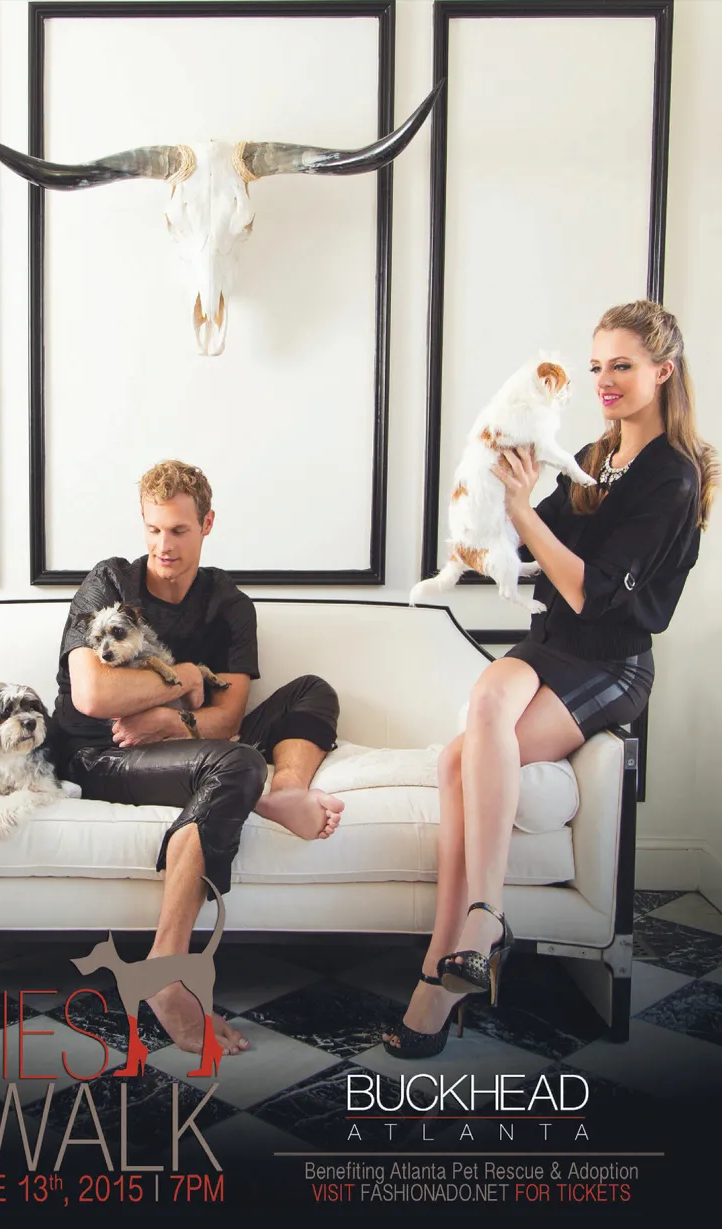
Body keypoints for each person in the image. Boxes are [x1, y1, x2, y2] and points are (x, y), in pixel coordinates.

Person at [383, 299, 717, 1057]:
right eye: (596, 366)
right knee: (475, 720)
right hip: (553, 642)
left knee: (458, 761)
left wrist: (521, 510)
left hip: (611, 660)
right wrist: (499, 496)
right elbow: (543, 546)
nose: (604, 380)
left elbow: (592, 592)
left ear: (664, 371)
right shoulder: (597, 455)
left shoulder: (673, 477)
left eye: (622, 365)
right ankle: (471, 934)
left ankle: (452, 957)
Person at [53, 460, 345, 1057]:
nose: (164, 545)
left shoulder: (230, 604)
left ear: (207, 524)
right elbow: (93, 695)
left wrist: (169, 721)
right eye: (153, 529)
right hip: (101, 754)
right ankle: (167, 966)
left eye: (179, 530)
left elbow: (229, 718)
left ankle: (286, 789)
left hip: (187, 744)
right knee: (237, 764)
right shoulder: (109, 583)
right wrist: (183, 678)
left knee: (311, 692)